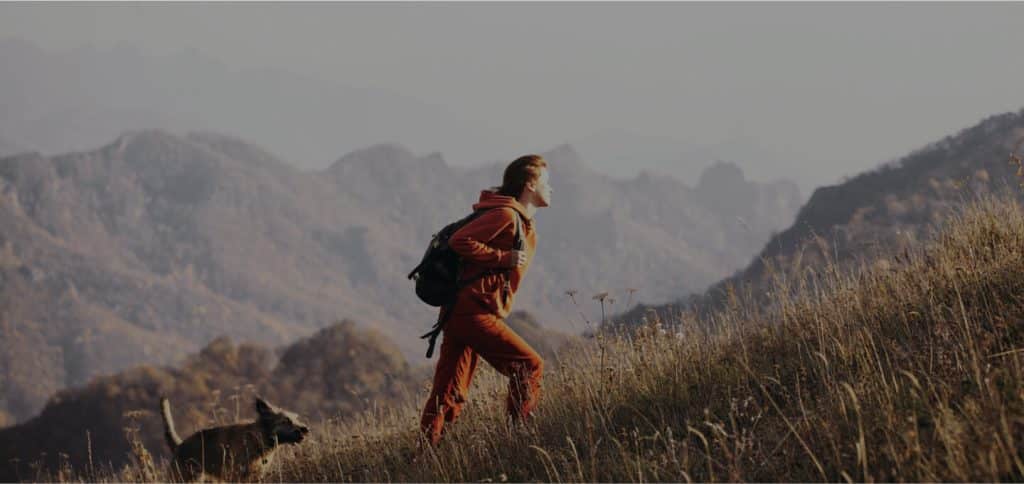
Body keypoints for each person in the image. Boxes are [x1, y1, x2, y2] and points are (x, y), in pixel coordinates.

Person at [419, 154, 552, 446]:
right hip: (471, 311)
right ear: (529, 185)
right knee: (529, 366)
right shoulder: (505, 215)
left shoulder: (518, 219)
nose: (551, 188)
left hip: (461, 309)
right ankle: (520, 440)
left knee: (449, 390)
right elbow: (460, 241)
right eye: (546, 182)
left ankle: (425, 457)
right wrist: (503, 258)